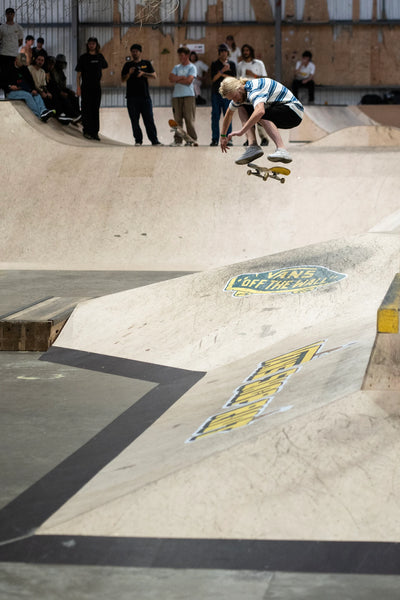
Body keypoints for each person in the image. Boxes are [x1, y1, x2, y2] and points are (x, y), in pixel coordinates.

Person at [218, 76, 303, 164]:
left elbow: (260, 111)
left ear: (239, 88)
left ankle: (282, 150)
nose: (235, 100)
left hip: (293, 111)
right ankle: (253, 146)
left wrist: (242, 131)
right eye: (231, 99)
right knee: (241, 107)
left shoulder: (254, 89)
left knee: (259, 114)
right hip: (279, 110)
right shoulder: (241, 95)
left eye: (235, 96)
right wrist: (223, 136)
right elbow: (229, 114)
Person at [121, 43, 161, 146]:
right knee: (134, 121)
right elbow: (122, 80)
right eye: (133, 51)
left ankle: (154, 140)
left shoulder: (146, 63)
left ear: (140, 52)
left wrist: (144, 74)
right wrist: (129, 73)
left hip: (145, 97)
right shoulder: (127, 65)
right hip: (131, 97)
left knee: (149, 120)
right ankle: (138, 140)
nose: (134, 53)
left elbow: (154, 76)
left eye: (136, 51)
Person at [75, 37, 108, 140]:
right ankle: (87, 131)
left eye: (93, 44)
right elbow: (78, 75)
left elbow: (105, 66)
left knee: (95, 109)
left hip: (96, 87)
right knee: (86, 109)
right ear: (87, 45)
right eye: (90, 44)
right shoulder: (83, 58)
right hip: (85, 87)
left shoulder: (100, 57)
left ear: (96, 45)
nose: (91, 45)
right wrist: (78, 88)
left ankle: (95, 132)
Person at [237, 43, 269, 146]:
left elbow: (265, 79)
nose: (245, 52)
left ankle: (264, 138)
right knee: (247, 118)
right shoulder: (240, 65)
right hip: (244, 93)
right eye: (244, 51)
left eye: (247, 50)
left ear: (250, 51)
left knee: (258, 116)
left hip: (257, 92)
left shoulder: (259, 63)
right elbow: (237, 80)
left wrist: (253, 75)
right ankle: (250, 139)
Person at [6, 53, 54, 121]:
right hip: (10, 92)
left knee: (36, 94)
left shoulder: (24, 68)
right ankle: (38, 115)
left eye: (23, 63)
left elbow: (30, 81)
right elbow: (2, 81)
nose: (21, 65)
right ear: (16, 59)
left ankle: (43, 111)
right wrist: (9, 86)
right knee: (28, 96)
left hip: (22, 89)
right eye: (20, 62)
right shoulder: (8, 67)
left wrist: (32, 89)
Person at [168, 46, 197, 146]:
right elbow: (171, 78)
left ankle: (192, 139)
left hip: (188, 95)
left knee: (189, 118)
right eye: (179, 55)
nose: (180, 57)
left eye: (182, 55)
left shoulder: (192, 67)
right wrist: (181, 78)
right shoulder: (176, 67)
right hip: (177, 96)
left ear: (187, 55)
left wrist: (177, 79)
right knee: (177, 120)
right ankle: (178, 140)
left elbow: (189, 81)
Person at [210, 43, 236, 146]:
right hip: (216, 93)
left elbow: (234, 78)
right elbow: (213, 78)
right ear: (219, 53)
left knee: (228, 115)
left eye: (225, 52)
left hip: (228, 93)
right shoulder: (214, 64)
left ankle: (228, 138)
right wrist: (223, 71)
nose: (223, 54)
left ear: (227, 53)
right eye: (221, 52)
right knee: (215, 116)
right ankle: (215, 138)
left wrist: (221, 74)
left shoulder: (232, 64)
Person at [46, 54, 80, 123]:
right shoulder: (52, 72)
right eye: (60, 63)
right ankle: (71, 115)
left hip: (60, 90)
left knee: (74, 97)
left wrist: (69, 90)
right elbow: (53, 85)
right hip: (55, 91)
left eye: (62, 63)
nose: (61, 65)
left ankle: (77, 114)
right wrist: (60, 92)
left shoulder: (61, 72)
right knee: (65, 99)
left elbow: (62, 86)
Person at [0, 7, 23, 94]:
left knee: (12, 73)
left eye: (11, 13)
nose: (9, 15)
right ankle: (5, 89)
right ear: (6, 15)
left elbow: (20, 41)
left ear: (13, 15)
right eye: (8, 13)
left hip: (13, 54)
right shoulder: (2, 27)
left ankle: (12, 90)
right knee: (4, 73)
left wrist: (13, 47)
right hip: (3, 53)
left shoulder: (18, 27)